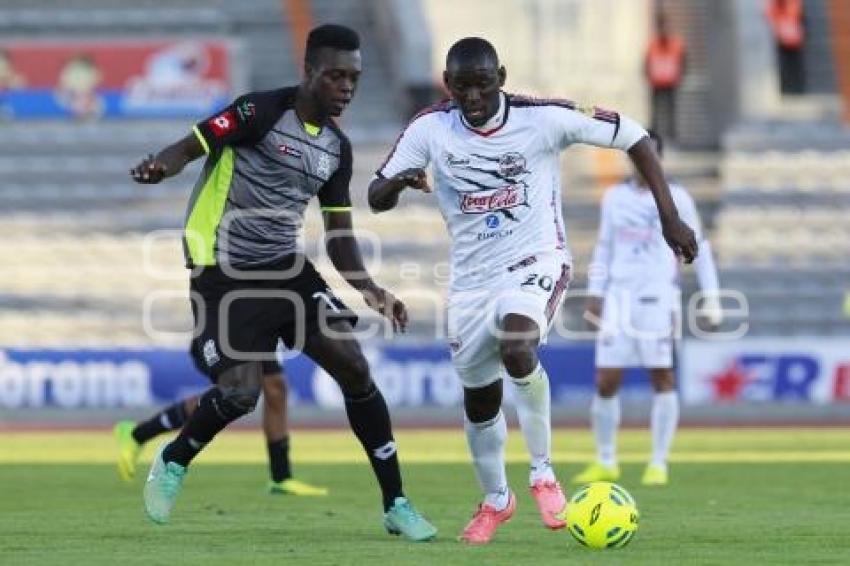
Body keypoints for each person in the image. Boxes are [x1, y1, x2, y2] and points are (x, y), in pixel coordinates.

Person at [368, 37, 697, 544]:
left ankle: (543, 473)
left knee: (518, 344)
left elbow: (634, 137)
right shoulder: (429, 129)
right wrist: (399, 183)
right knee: (480, 401)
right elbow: (376, 195)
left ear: (501, 75)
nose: (473, 97)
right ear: (448, 85)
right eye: (462, 87)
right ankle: (497, 499)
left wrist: (668, 217)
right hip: (471, 283)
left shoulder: (543, 119)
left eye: (482, 83)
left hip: (535, 260)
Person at [129, 24, 436, 541]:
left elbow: (340, 237)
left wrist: (372, 290)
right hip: (221, 270)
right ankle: (175, 458)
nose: (346, 87)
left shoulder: (337, 149)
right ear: (309, 71)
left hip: (285, 268)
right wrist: (163, 166)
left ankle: (396, 502)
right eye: (335, 75)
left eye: (354, 78)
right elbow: (194, 143)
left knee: (354, 366)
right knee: (241, 393)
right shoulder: (259, 112)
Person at [572, 130, 721, 488]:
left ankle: (658, 461)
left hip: (657, 297)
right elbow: (605, 246)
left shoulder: (678, 198)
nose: (642, 163)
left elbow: (699, 247)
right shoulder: (614, 198)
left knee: (662, 377)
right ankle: (606, 459)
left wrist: (712, 296)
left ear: (659, 158)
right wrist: (596, 292)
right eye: (637, 156)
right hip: (619, 299)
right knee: (606, 380)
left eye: (650, 156)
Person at [113, 358, 328, 496]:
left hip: (256, 328)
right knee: (233, 392)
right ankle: (137, 434)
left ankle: (281, 477)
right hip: (222, 326)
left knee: (275, 386)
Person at [645, 11, 686, 144]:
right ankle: (655, 137)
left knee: (670, 112)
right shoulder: (653, 44)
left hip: (670, 82)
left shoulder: (676, 44)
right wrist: (649, 77)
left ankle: (672, 138)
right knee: (656, 113)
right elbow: (646, 63)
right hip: (656, 83)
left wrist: (679, 77)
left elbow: (683, 62)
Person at [765, 0, 805, 94]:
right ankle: (787, 88)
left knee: (795, 65)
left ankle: (797, 88)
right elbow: (770, 15)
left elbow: (797, 14)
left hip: (793, 38)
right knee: (785, 66)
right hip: (783, 38)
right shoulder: (777, 5)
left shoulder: (792, 4)